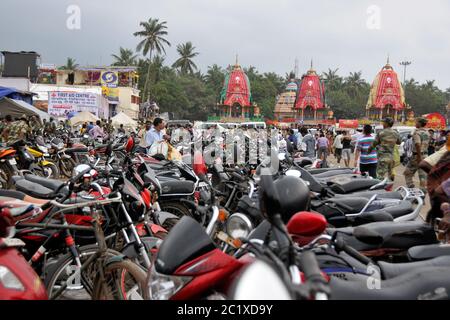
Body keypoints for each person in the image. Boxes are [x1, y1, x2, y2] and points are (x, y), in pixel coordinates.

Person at [368, 117, 401, 181]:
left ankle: (380, 188)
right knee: (390, 173)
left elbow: (374, 143)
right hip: (391, 156)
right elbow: (399, 142)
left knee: (379, 175)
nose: (382, 124)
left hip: (383, 156)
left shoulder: (381, 132)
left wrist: (369, 150)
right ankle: (390, 187)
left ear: (387, 124)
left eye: (383, 123)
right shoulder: (395, 133)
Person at [404, 117, 430, 191]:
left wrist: (419, 156)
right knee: (423, 177)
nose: (415, 123)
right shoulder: (427, 133)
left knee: (407, 173)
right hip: (425, 156)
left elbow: (418, 144)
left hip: (416, 157)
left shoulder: (417, 132)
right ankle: (422, 196)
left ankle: (411, 188)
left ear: (420, 123)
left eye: (416, 122)